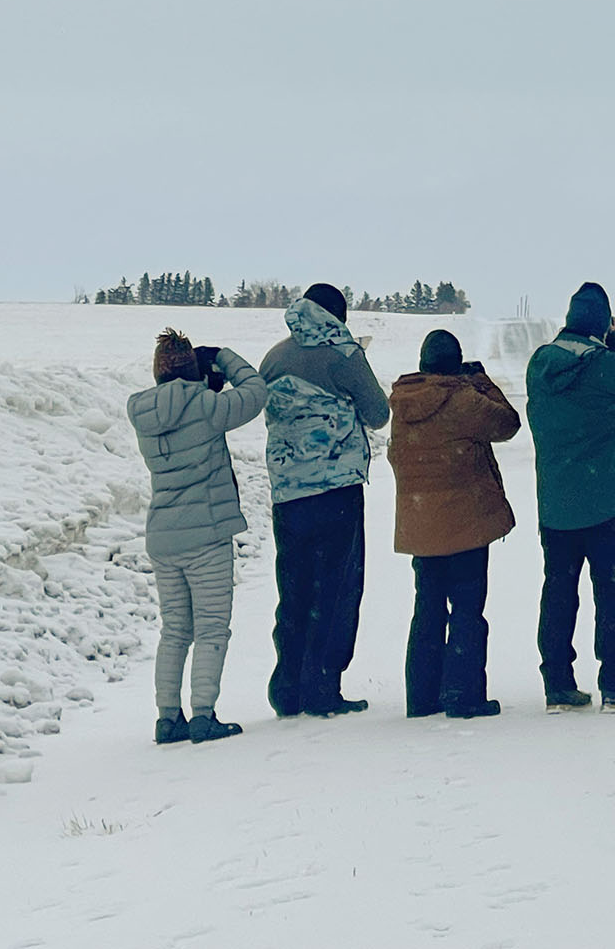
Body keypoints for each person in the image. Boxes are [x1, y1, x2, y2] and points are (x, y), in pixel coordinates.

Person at [127, 329, 269, 745]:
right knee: (211, 628)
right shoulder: (207, 407)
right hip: (205, 534)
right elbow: (256, 391)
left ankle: (168, 719)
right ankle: (204, 715)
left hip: (163, 535)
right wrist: (223, 356)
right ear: (194, 370)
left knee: (174, 630)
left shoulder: (142, 411)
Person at [259, 283, 390, 718]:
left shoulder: (274, 357)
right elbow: (378, 414)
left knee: (293, 586)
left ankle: (287, 685)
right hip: (336, 489)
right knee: (336, 588)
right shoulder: (344, 355)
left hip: (287, 491)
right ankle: (322, 685)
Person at [524, 282, 615, 713]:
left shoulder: (540, 363)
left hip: (556, 502)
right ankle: (614, 685)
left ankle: (557, 684)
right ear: (601, 324)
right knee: (612, 593)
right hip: (608, 499)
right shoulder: (605, 364)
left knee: (558, 591)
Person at [386, 329, 521, 719]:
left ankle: (422, 697)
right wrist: (481, 382)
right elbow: (508, 424)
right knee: (466, 608)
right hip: (465, 523)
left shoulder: (404, 402)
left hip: (421, 525)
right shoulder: (463, 399)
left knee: (427, 608)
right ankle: (463, 695)